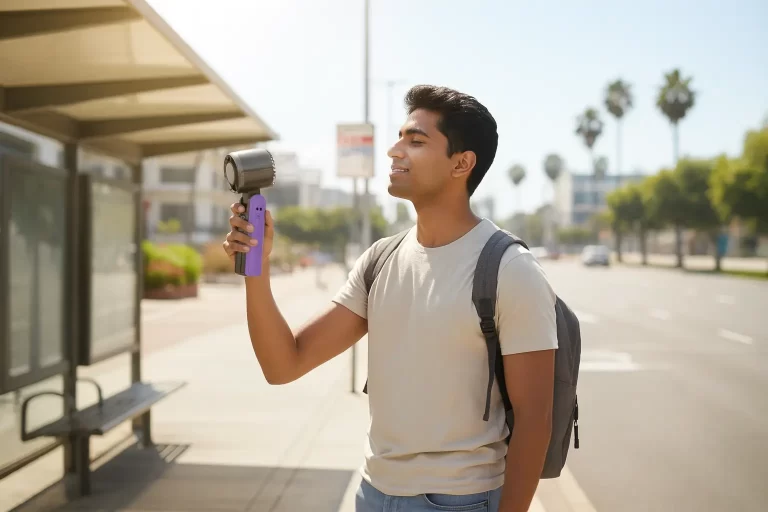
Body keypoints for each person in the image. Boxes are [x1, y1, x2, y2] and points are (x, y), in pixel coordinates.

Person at [222, 85, 558, 512]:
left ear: (462, 163)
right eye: (399, 137)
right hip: (374, 493)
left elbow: (535, 421)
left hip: (462, 500)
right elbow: (283, 364)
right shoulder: (379, 260)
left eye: (415, 141)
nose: (394, 151)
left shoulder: (511, 270)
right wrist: (257, 268)